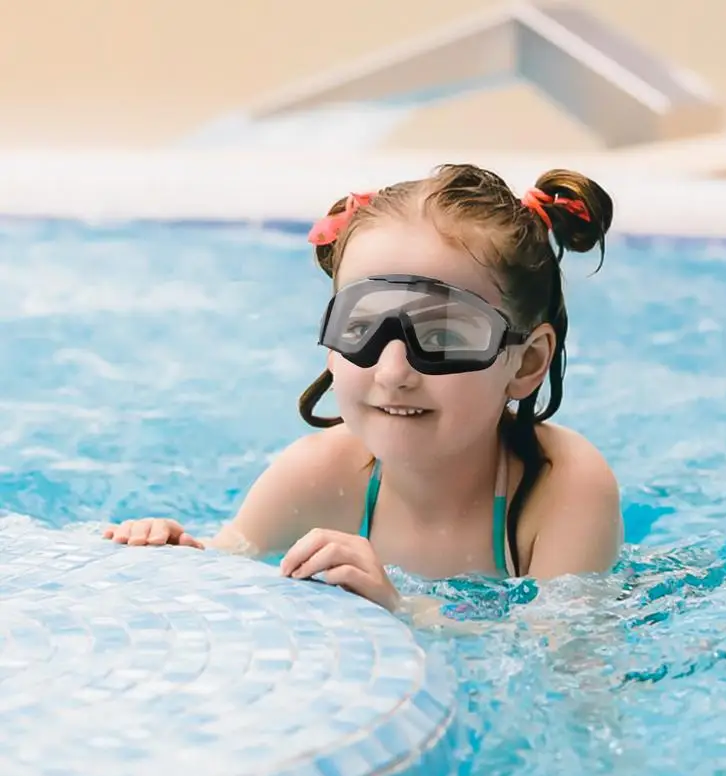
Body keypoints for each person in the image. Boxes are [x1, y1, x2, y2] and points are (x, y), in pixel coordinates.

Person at [102, 164, 623, 614]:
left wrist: (399, 609)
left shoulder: (562, 488)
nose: (393, 370)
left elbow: (566, 675)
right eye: (362, 328)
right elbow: (226, 579)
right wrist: (172, 557)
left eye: (441, 336)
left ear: (527, 361)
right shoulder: (316, 475)